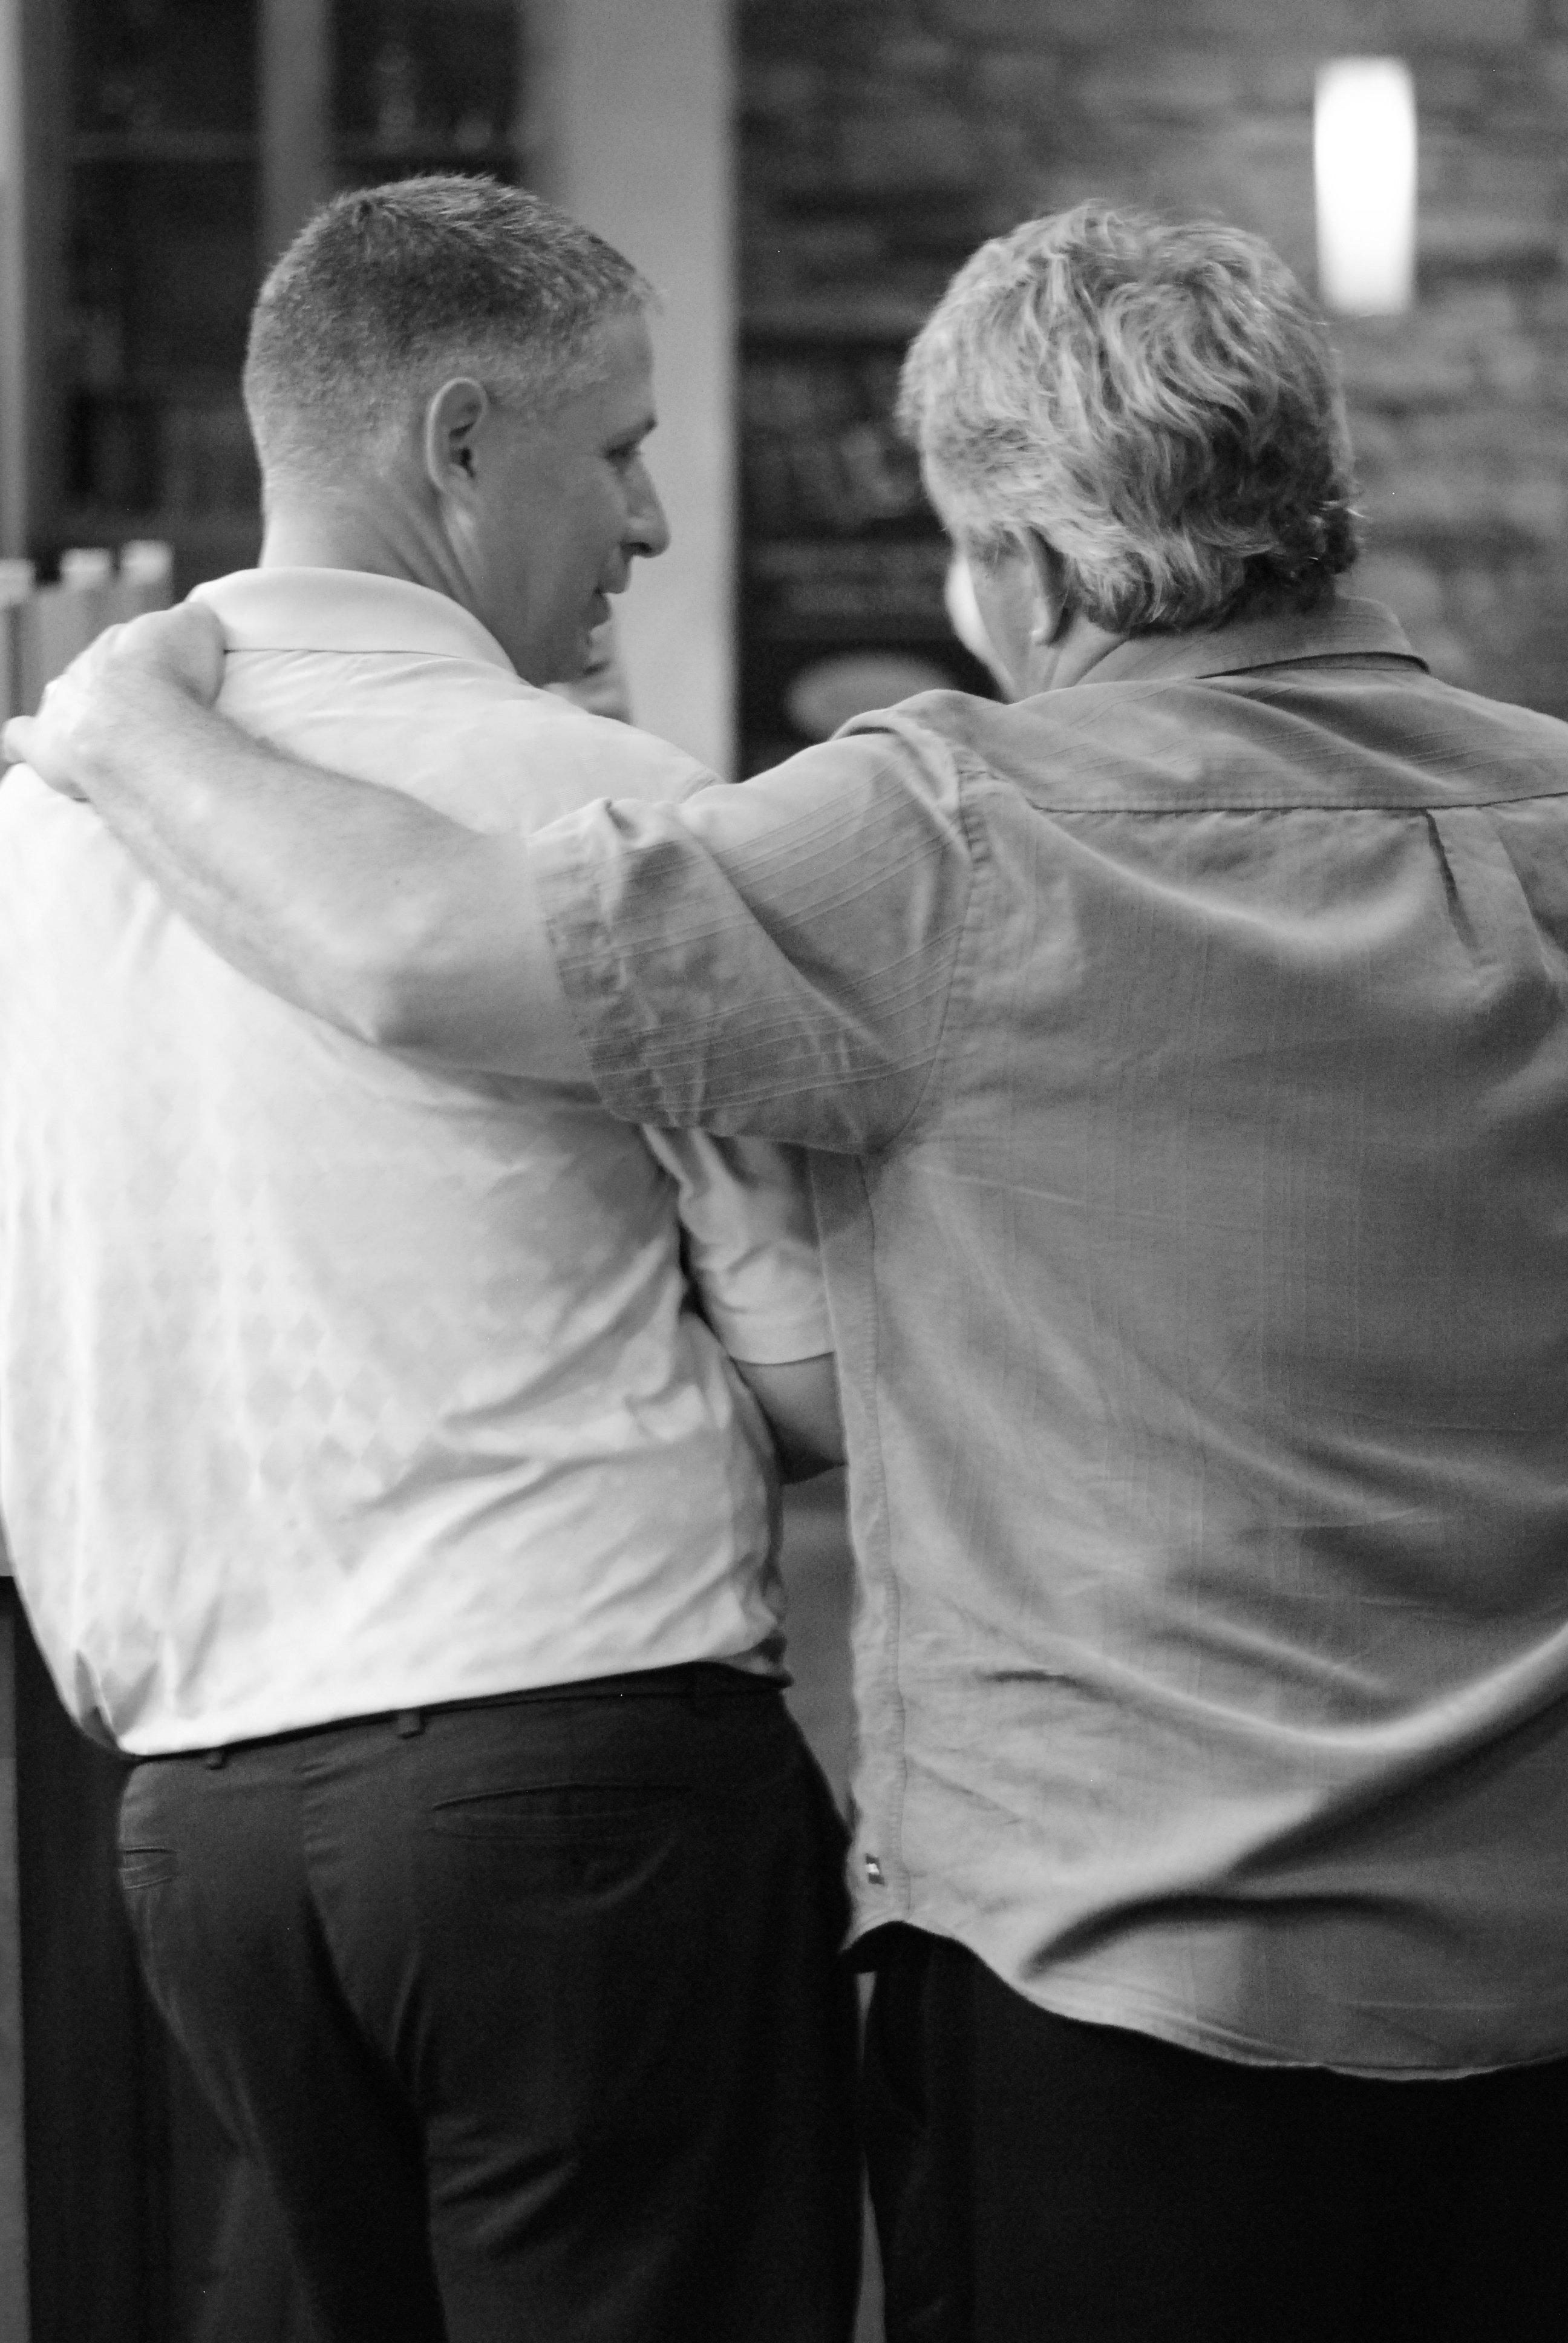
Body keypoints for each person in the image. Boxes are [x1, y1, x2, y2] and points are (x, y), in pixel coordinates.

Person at [13, 199, 1568, 2342]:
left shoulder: (934, 844)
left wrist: (121, 728)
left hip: (1110, 1970)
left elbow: (409, 950)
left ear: (1024, 574)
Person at [0, 176, 861, 2343]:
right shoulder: (610, 802)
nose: (651, 522)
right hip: (577, 1769)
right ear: (461, 442)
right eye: (622, 450)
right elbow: (819, 1377)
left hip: (197, 1826)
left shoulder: (31, 832)